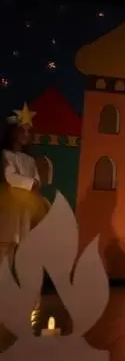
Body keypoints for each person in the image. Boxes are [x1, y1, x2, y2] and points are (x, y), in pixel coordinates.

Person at [0, 104, 49, 265]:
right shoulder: (6, 155)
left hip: (25, 206)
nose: (26, 135)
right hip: (10, 204)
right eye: (22, 130)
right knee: (7, 239)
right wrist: (30, 183)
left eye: (29, 131)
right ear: (13, 132)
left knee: (22, 240)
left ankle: (14, 275)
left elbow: (36, 177)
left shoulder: (29, 159)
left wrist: (36, 182)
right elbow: (10, 176)